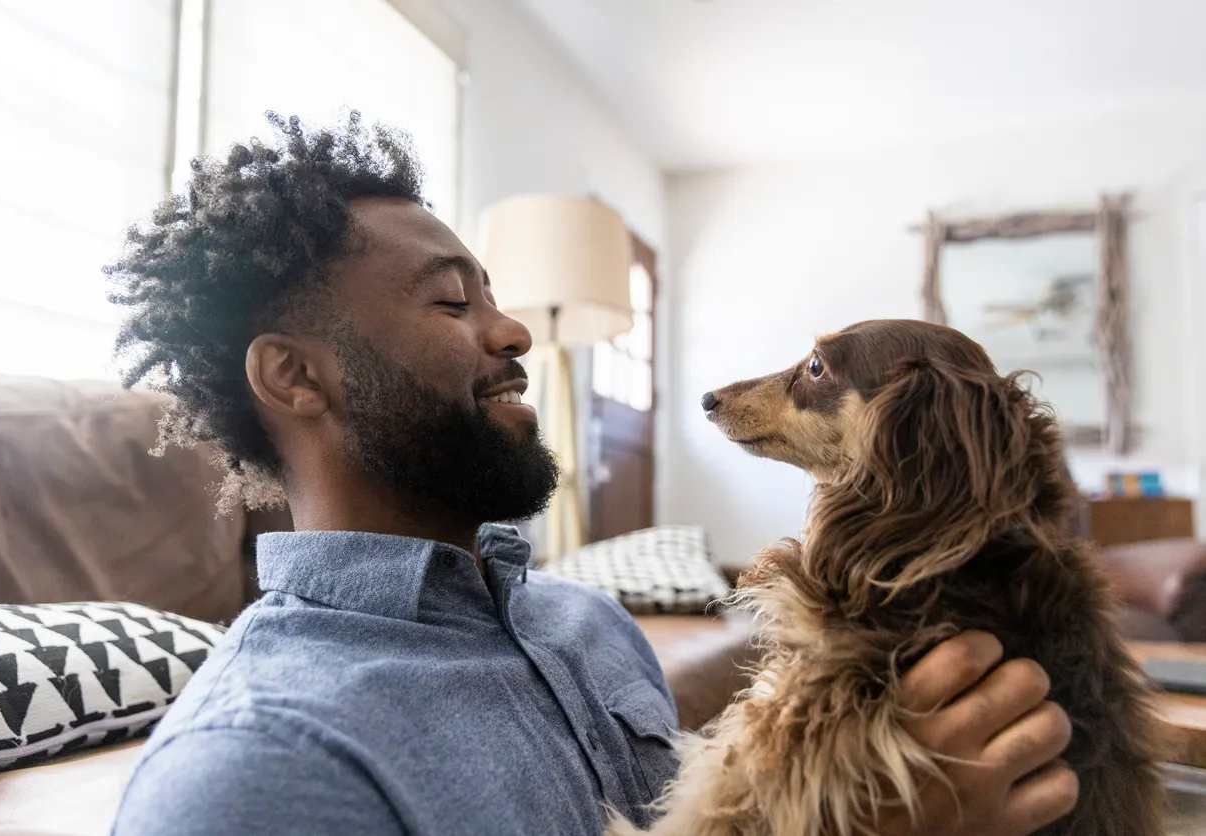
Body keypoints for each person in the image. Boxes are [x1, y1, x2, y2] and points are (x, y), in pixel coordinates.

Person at [107, 113, 1078, 836]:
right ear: (293, 375)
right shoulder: (250, 773)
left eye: (493, 292)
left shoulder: (591, 627)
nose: (514, 328)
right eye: (451, 299)